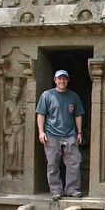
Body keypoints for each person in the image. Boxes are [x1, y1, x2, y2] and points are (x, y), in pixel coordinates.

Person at [36, 69, 85, 201]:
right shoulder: (47, 95)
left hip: (69, 133)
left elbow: (78, 115)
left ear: (67, 80)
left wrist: (79, 132)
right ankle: (56, 190)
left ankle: (72, 189)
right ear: (55, 80)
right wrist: (41, 131)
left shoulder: (73, 96)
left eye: (64, 79)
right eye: (60, 79)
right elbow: (41, 114)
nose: (62, 81)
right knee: (52, 163)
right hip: (51, 134)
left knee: (74, 161)